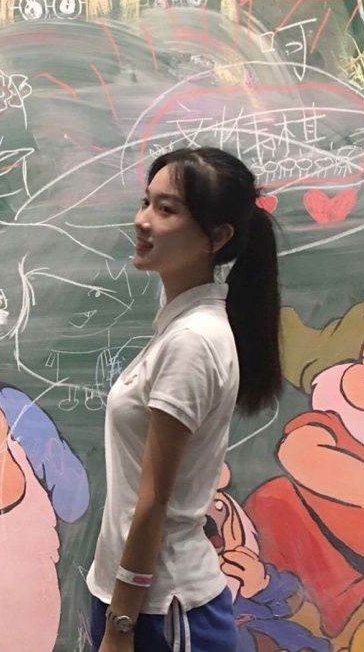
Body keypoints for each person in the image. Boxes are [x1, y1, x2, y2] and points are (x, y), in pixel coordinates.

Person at [86, 147, 282, 652]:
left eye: (166, 209)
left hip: (158, 608)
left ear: (218, 237)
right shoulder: (180, 326)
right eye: (145, 202)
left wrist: (121, 625)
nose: (142, 220)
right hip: (129, 596)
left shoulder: (192, 341)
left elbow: (155, 499)